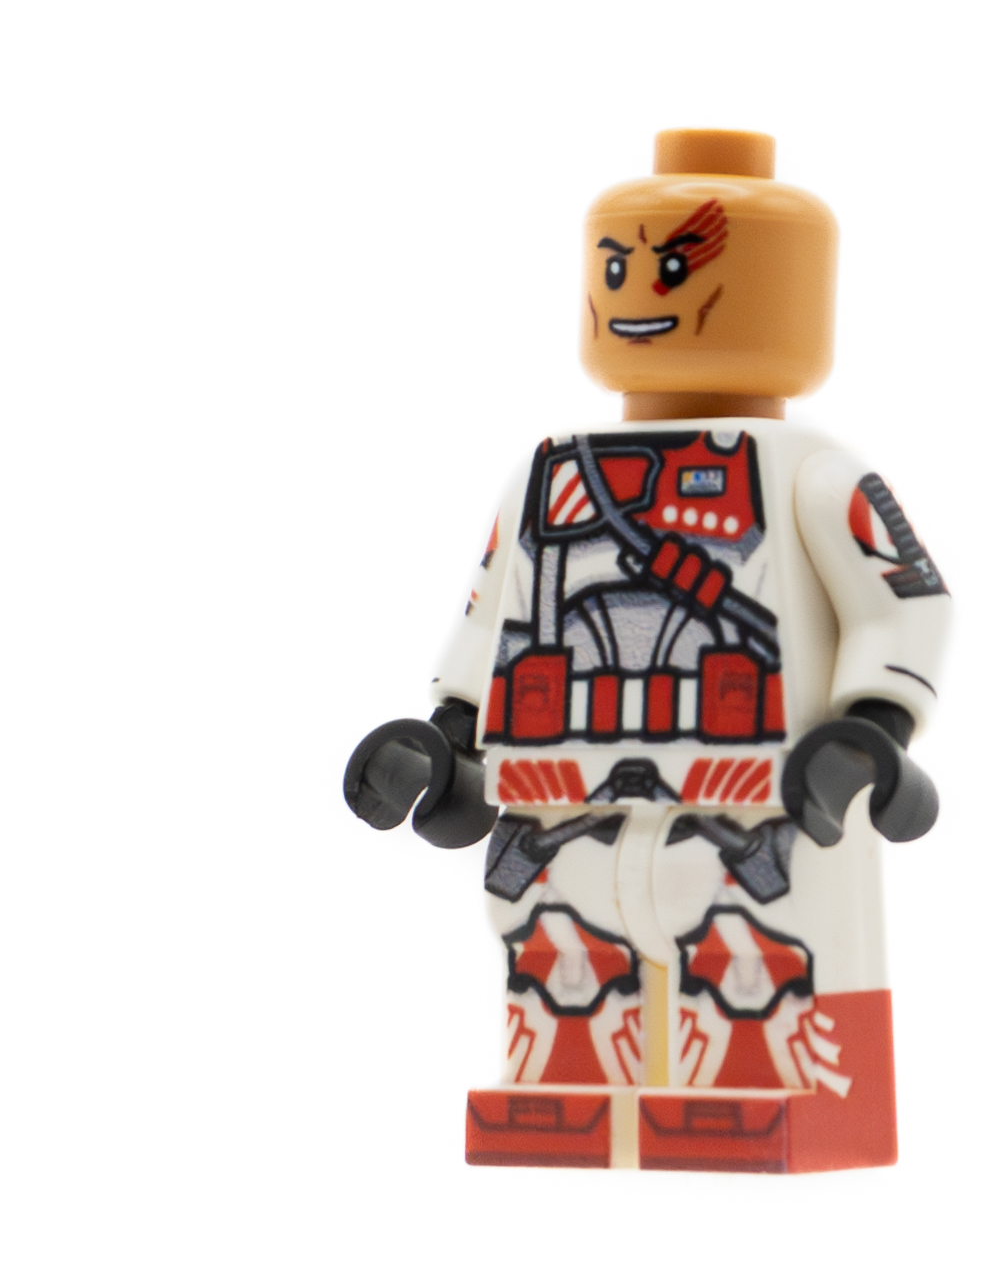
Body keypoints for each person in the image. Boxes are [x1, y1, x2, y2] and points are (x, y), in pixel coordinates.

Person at [345, 129, 951, 1172]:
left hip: (747, 781)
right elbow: (493, 615)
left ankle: (763, 1097)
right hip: (554, 777)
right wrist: (448, 735)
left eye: (671, 265)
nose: (632, 292)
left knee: (753, 938)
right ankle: (566, 1097)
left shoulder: (809, 473)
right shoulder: (547, 473)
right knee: (551, 934)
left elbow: (901, 601)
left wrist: (870, 727)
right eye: (615, 266)